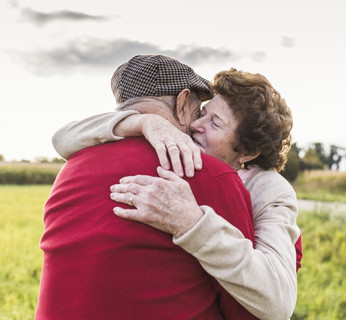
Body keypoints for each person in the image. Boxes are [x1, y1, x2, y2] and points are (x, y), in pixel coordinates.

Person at [53, 66, 303, 320]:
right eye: (202, 113)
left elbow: (278, 302)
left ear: (248, 152)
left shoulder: (270, 190)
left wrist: (191, 222)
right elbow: (62, 137)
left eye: (215, 123)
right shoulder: (187, 162)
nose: (195, 124)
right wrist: (145, 122)